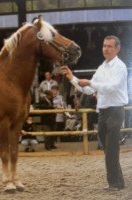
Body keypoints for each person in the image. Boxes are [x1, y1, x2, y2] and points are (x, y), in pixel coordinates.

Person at [60, 35, 128, 191]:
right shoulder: (102, 67)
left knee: (111, 148)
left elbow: (112, 87)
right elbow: (89, 90)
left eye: (110, 46)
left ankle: (114, 183)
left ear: (118, 49)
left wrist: (90, 82)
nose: (106, 49)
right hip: (103, 112)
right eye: (104, 46)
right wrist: (72, 78)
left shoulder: (120, 67)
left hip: (116, 110)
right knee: (107, 149)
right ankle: (118, 181)